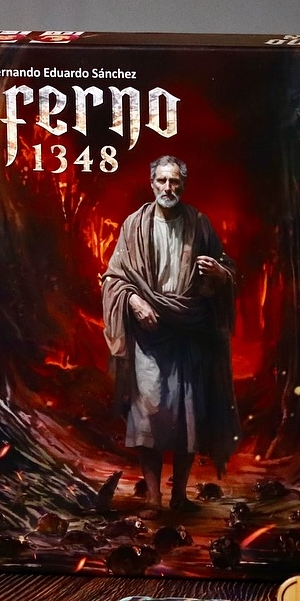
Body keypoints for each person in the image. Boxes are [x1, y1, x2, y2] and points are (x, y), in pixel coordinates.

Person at [101, 156, 240, 515]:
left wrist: (219, 273)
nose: (168, 188)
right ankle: (153, 498)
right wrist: (133, 300)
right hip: (150, 334)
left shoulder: (199, 224)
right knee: (148, 415)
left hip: (189, 331)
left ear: (183, 185)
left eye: (174, 181)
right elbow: (114, 277)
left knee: (187, 417)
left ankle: (179, 496)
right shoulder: (134, 225)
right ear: (152, 183)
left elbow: (227, 267)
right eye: (162, 181)